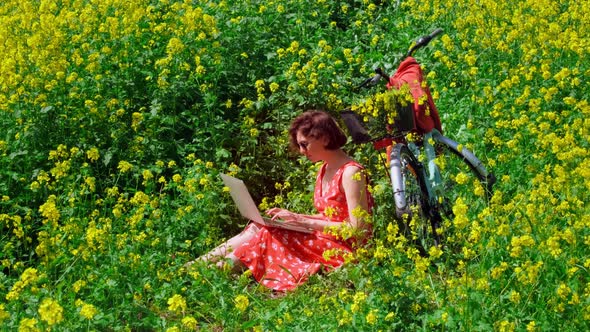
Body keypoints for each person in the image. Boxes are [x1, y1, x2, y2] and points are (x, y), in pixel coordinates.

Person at [187, 110, 374, 291]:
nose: (302, 151)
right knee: (257, 226)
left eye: (305, 144)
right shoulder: (324, 169)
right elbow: (329, 216)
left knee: (269, 233)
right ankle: (196, 266)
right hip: (327, 239)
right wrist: (294, 217)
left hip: (345, 248)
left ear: (325, 138)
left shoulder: (351, 172)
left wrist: (303, 222)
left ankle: (211, 273)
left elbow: (359, 228)